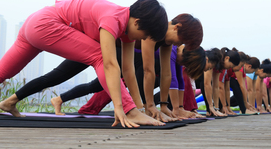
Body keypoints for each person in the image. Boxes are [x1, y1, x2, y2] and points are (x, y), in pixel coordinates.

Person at [0, 0, 168, 128]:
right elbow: (109, 64)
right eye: (145, 35)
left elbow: (127, 69)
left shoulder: (126, 28)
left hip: (34, 23)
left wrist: (139, 109)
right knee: (99, 55)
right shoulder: (112, 19)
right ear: (137, 23)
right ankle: (129, 110)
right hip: (46, 24)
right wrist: (123, 108)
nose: (143, 41)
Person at [0, 13, 203, 122]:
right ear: (177, 27)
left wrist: (164, 106)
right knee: (57, 76)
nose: (178, 46)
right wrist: (148, 107)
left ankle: (13, 101)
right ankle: (11, 100)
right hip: (94, 46)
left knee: (93, 85)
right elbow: (149, 71)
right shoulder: (155, 31)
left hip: (112, 56)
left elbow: (166, 74)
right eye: (180, 40)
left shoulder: (167, 42)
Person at [52, 44, 207, 119]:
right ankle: (59, 99)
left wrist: (178, 108)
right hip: (126, 61)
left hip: (135, 68)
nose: (183, 66)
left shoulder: (176, 56)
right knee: (94, 86)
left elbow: (178, 81)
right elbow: (171, 79)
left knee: (95, 85)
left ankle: (59, 99)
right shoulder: (172, 50)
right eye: (185, 63)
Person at [199, 47, 239, 117]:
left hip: (200, 78)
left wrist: (216, 108)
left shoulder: (219, 66)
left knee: (213, 85)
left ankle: (214, 108)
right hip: (197, 77)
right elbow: (206, 84)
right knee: (205, 82)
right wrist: (210, 107)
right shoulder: (213, 59)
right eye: (230, 66)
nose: (229, 68)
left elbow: (216, 87)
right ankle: (209, 109)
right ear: (227, 58)